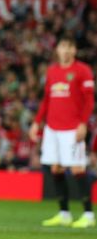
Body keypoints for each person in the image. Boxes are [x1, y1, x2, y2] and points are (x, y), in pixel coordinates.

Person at [31, 37, 94, 228]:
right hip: (52, 128)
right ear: (57, 50)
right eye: (62, 47)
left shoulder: (83, 70)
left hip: (72, 129)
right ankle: (64, 213)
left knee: (77, 169)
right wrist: (36, 122)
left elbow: (89, 101)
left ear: (74, 50)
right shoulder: (52, 71)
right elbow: (47, 100)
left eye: (69, 47)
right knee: (56, 169)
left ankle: (89, 215)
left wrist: (83, 124)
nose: (65, 51)